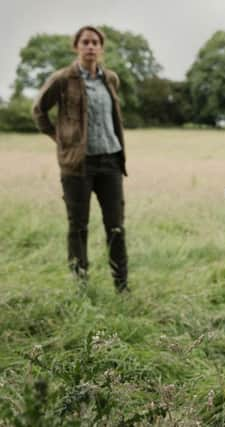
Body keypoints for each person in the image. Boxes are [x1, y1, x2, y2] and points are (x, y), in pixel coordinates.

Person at [32, 25, 129, 293]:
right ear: (76, 46)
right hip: (78, 165)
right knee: (78, 226)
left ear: (101, 48)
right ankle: (81, 285)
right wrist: (60, 139)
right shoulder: (63, 79)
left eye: (95, 42)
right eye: (85, 42)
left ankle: (121, 285)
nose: (90, 46)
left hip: (110, 161)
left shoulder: (110, 79)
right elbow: (38, 110)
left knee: (116, 226)